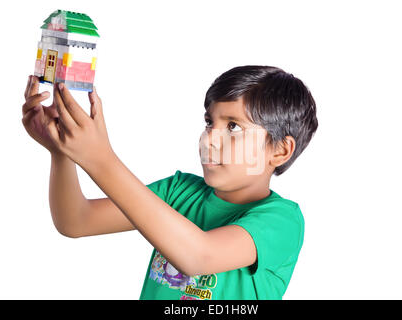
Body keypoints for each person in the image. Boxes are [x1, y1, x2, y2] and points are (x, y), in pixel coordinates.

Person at [21, 65, 318, 300]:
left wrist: (101, 158)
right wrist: (61, 152)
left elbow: (199, 255)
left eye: (233, 126)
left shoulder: (281, 220)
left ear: (280, 150)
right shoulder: (178, 191)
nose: (209, 138)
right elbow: (76, 221)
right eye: (209, 122)